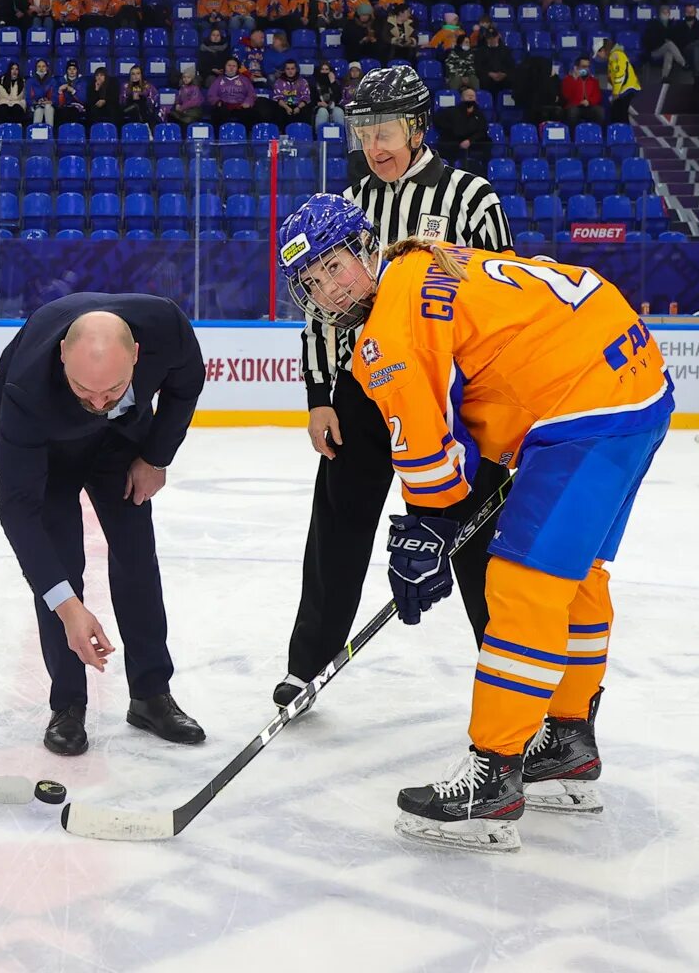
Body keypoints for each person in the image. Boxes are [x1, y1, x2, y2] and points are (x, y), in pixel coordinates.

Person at [275, 192, 673, 853]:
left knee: (522, 581)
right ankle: (568, 741)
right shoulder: (422, 257)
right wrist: (434, 523)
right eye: (313, 283)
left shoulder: (386, 336)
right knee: (577, 578)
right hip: (632, 377)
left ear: (366, 248)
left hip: (585, 408)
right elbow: (477, 376)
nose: (330, 292)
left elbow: (430, 452)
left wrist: (426, 531)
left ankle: (493, 774)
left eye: (335, 267)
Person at [277, 66, 513, 713]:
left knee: (475, 542)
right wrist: (320, 394)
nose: (374, 145)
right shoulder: (352, 198)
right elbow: (321, 308)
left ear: (416, 126)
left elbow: (500, 297)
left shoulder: (471, 198)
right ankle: (308, 667)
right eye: (363, 131)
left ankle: (510, 677)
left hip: (454, 397)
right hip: (363, 386)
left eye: (385, 130)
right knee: (338, 525)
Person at [0, 295, 207, 756]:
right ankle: (68, 705)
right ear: (63, 354)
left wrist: (155, 457)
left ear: (138, 355)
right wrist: (67, 606)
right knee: (60, 568)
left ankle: (151, 696)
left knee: (137, 559)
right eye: (85, 391)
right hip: (48, 455)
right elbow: (17, 509)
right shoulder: (24, 391)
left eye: (114, 390)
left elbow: (186, 385)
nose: (100, 403)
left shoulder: (166, 328)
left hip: (121, 446)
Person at [435, 86, 491, 171]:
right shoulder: (452, 112)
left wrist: (470, 140)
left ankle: (483, 171)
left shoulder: (479, 115)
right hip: (454, 142)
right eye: (468, 95)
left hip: (472, 142)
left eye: (472, 95)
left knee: (487, 142)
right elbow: (439, 121)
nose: (470, 97)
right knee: (445, 142)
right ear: (462, 98)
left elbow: (482, 130)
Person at [596, 39, 640, 124]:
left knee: (620, 116)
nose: (599, 57)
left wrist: (615, 94)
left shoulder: (616, 56)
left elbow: (619, 76)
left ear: (603, 50)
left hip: (627, 90)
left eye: (598, 54)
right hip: (623, 90)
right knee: (617, 114)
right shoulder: (613, 56)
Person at [206, 56, 257, 127]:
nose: (231, 68)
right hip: (224, 106)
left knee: (250, 113)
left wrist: (248, 102)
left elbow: (251, 94)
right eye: (229, 65)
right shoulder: (218, 80)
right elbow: (211, 94)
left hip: (240, 106)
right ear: (225, 67)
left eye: (234, 66)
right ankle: (219, 135)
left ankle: (246, 135)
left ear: (237, 68)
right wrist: (218, 101)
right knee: (217, 113)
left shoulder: (244, 80)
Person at [641, 4, 687, 80]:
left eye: (667, 13)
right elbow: (651, 41)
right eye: (663, 13)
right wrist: (663, 40)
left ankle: (664, 77)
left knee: (669, 52)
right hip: (654, 51)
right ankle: (683, 63)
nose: (665, 15)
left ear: (669, 14)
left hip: (666, 49)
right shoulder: (653, 24)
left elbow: (675, 39)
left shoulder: (671, 24)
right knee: (669, 44)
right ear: (659, 14)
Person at [559, 55, 606, 127]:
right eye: (584, 66)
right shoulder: (568, 80)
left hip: (589, 106)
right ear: (577, 67)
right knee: (573, 112)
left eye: (588, 66)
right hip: (574, 106)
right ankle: (573, 136)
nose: (587, 69)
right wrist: (575, 79)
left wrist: (589, 101)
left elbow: (597, 96)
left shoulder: (593, 81)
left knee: (600, 111)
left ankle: (598, 134)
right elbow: (567, 96)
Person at [672, 3, 699, 80]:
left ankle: (697, 76)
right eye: (688, 12)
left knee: (698, 47)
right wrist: (693, 40)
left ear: (695, 13)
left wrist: (691, 39)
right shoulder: (679, 26)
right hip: (686, 51)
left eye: (692, 12)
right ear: (684, 13)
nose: (690, 14)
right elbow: (679, 42)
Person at [475, 28, 515, 98]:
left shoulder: (506, 50)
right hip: (488, 76)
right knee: (484, 80)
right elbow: (478, 66)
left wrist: (504, 73)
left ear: (498, 37)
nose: (492, 40)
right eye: (489, 38)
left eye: (493, 37)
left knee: (511, 79)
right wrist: (489, 73)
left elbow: (511, 65)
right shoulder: (480, 51)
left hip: (503, 76)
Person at [271, 60, 311, 129]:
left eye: (292, 69)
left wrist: (298, 107)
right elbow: (278, 98)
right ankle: (281, 134)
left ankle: (303, 132)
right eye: (288, 69)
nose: (290, 71)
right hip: (284, 106)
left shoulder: (303, 82)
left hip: (299, 106)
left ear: (296, 69)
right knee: (277, 110)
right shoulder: (279, 82)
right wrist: (286, 107)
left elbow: (306, 97)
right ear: (284, 70)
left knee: (307, 110)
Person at [311, 60, 344, 126]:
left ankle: (341, 134)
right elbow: (311, 98)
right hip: (319, 106)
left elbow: (338, 98)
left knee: (338, 112)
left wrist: (333, 83)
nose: (324, 71)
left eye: (327, 69)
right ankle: (320, 134)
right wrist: (318, 103)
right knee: (323, 112)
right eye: (322, 69)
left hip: (333, 106)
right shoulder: (314, 83)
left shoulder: (336, 83)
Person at [27, 58, 57, 126]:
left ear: (47, 68)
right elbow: (28, 98)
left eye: (43, 66)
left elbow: (56, 97)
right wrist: (36, 102)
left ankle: (50, 132)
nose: (41, 68)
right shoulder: (30, 81)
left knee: (48, 107)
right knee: (39, 110)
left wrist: (50, 101)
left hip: (49, 106)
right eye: (39, 66)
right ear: (36, 68)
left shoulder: (53, 81)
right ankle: (36, 133)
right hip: (34, 106)